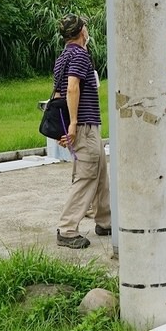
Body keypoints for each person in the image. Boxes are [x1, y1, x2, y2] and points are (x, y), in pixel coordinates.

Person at [52, 13, 111, 249]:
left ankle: (105, 221)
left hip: (84, 125)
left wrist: (62, 126)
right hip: (84, 125)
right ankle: (67, 229)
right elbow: (72, 88)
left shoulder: (62, 58)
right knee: (86, 175)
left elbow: (57, 95)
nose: (87, 30)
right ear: (80, 32)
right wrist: (74, 123)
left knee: (100, 172)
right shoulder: (79, 55)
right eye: (85, 27)